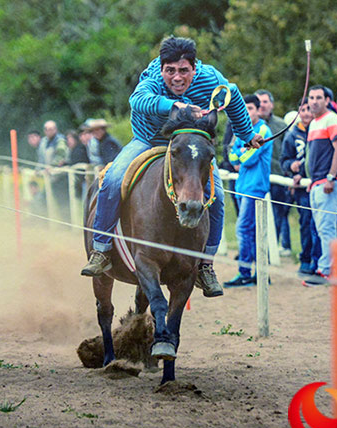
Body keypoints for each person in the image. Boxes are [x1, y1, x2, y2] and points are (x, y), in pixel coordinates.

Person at [80, 36, 261, 298]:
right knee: (112, 179)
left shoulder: (210, 78)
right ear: (162, 68)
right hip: (148, 141)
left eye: (184, 71)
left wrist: (247, 135)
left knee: (218, 197)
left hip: (189, 148)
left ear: (194, 68)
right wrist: (173, 105)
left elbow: (231, 97)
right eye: (170, 71)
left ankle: (205, 265)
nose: (177, 77)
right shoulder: (152, 77)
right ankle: (101, 250)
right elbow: (137, 100)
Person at [224, 95, 272, 287]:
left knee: (244, 229)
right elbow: (231, 156)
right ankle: (258, 274)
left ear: (258, 110)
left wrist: (240, 153)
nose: (247, 112)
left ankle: (246, 273)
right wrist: (240, 153)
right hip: (242, 186)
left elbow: (247, 159)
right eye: (244, 108)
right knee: (250, 230)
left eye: (250, 108)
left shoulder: (262, 129)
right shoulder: (241, 130)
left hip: (255, 187)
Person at [302, 85, 337, 286]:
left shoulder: (332, 119)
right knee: (321, 229)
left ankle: (329, 271)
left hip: (328, 184)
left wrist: (331, 176)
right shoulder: (313, 123)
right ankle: (324, 268)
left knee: (327, 229)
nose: (314, 101)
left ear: (327, 100)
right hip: (316, 183)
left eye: (319, 97)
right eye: (311, 97)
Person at [281, 99, 320, 275]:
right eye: (302, 110)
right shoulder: (292, 134)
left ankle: (320, 261)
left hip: (319, 183)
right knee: (305, 222)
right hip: (302, 188)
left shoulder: (320, 130)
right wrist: (291, 167)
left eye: (309, 110)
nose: (306, 113)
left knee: (319, 224)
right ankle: (305, 259)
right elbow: (284, 160)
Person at [256, 89, 292, 256]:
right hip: (255, 178)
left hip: (278, 178)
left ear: (272, 104)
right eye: (259, 102)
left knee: (277, 215)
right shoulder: (245, 124)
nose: (262, 105)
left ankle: (272, 251)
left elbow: (290, 152)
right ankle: (255, 251)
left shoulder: (281, 125)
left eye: (265, 101)